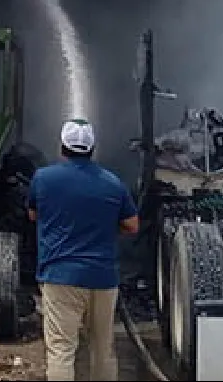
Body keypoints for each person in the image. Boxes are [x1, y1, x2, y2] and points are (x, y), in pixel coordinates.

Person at [28, 119, 139, 382]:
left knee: (61, 351)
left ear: (62, 148)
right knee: (102, 350)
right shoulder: (112, 183)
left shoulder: (43, 178)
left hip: (60, 276)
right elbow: (132, 226)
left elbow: (33, 214)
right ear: (92, 149)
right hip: (102, 278)